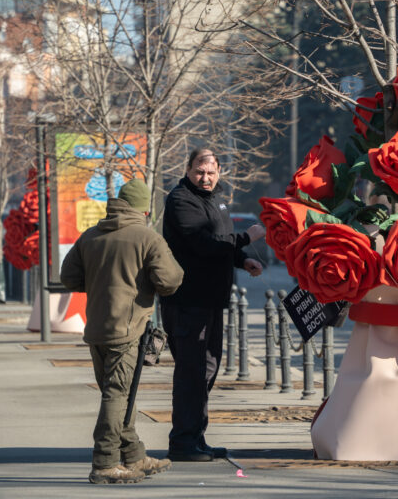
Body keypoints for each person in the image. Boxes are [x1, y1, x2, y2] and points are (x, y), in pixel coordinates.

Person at [61, 179, 184, 484]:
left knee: (118, 393)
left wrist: (100, 283)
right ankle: (104, 462)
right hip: (127, 330)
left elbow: (68, 277)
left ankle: (135, 456)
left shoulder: (90, 236)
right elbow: (169, 281)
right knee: (117, 395)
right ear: (145, 209)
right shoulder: (148, 238)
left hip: (96, 329)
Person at [161, 148, 265, 462]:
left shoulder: (217, 200)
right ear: (188, 170)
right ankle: (182, 442)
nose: (205, 178)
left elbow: (221, 241)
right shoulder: (181, 200)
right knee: (191, 372)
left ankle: (196, 437)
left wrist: (242, 259)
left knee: (207, 370)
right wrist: (246, 238)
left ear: (219, 172)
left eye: (211, 172)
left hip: (211, 301)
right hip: (188, 301)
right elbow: (203, 244)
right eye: (199, 172)